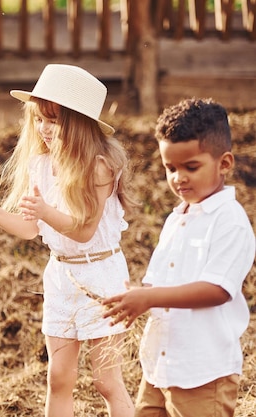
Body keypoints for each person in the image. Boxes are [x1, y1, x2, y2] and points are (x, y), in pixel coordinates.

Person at [0, 64, 137, 417]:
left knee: (106, 381)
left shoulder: (99, 166)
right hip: (61, 277)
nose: (44, 128)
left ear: (79, 123)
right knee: (59, 377)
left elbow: (83, 230)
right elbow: (29, 228)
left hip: (102, 276)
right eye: (39, 119)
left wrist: (46, 211)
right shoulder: (41, 165)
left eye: (53, 120)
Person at [102, 98, 256, 417]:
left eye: (191, 167)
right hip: (160, 365)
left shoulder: (229, 221)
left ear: (224, 163)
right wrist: (137, 296)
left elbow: (217, 290)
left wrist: (149, 297)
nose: (178, 178)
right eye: (170, 168)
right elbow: (162, 283)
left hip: (204, 373)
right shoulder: (178, 217)